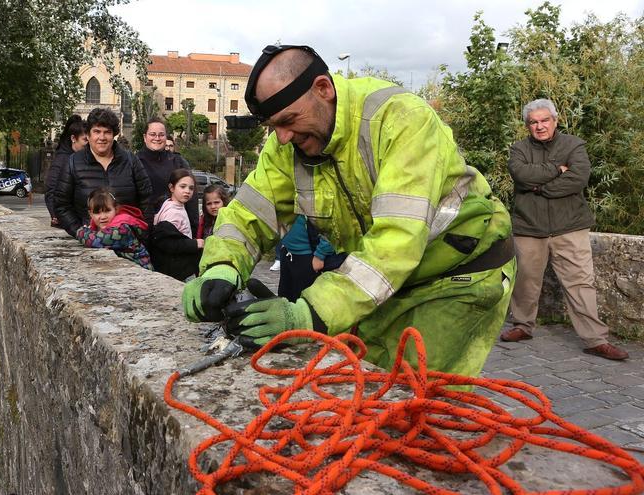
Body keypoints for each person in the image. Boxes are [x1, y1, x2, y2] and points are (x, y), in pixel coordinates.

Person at [182, 44, 516, 378]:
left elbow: (396, 243)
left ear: (323, 89)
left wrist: (308, 315)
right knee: (367, 382)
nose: (282, 138)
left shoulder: (400, 119)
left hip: (458, 275)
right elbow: (248, 214)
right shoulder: (289, 145)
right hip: (393, 282)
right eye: (273, 126)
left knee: (415, 398)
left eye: (288, 121)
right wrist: (221, 268)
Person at [500, 99, 628, 361]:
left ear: (556, 121)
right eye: (534, 122)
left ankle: (595, 339)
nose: (540, 126)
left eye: (545, 120)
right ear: (527, 126)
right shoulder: (519, 150)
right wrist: (556, 170)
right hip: (529, 226)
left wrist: (540, 188)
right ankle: (522, 326)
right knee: (525, 281)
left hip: (569, 226)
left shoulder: (574, 145)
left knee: (580, 282)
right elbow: (522, 176)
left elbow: (577, 179)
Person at [55, 108, 152, 237]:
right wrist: (80, 232)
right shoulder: (73, 163)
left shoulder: (131, 161)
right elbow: (61, 204)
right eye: (97, 131)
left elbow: (146, 199)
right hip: (90, 243)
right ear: (88, 135)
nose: (102, 137)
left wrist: (139, 232)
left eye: (107, 132)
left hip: (128, 241)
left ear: (114, 135)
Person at [137, 118, 198, 232]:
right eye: (152, 134)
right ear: (145, 137)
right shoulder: (134, 162)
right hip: (143, 225)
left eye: (161, 135)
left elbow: (192, 197)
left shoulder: (178, 161)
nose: (157, 138)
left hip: (174, 227)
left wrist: (194, 229)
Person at [75, 188, 153, 270]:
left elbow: (94, 240)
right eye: (97, 212)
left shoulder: (122, 228)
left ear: (116, 209)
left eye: (107, 211)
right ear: (90, 214)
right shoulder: (95, 226)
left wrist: (81, 231)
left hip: (140, 272)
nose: (103, 217)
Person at [276, 215, 346, 303]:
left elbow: (333, 225)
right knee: (285, 298)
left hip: (309, 257)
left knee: (304, 301)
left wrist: (320, 254)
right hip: (287, 252)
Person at [150, 168, 203, 281]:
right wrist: (194, 244)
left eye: (191, 188)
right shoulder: (173, 213)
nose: (187, 191)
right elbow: (168, 242)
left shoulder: (169, 203)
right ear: (172, 188)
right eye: (182, 186)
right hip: (177, 269)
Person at [46, 115, 88, 227]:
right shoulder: (62, 160)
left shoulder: (81, 157)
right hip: (67, 223)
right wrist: (56, 215)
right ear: (73, 139)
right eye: (85, 140)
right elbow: (51, 190)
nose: (88, 144)